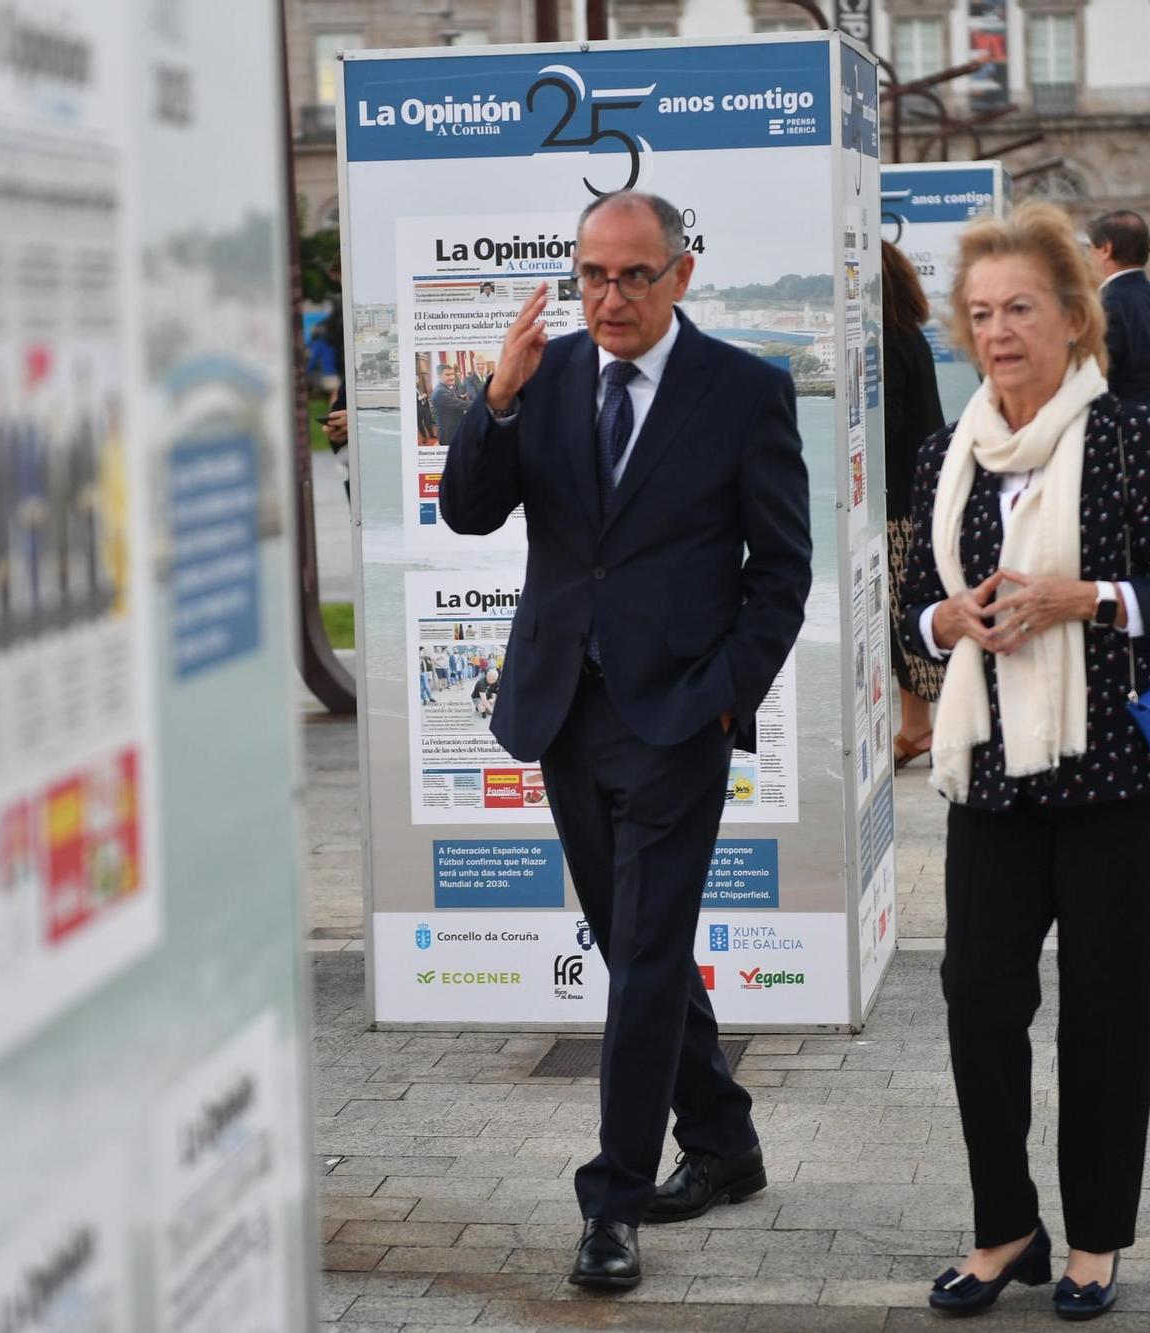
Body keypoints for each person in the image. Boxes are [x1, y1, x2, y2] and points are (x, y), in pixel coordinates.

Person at [439, 190, 811, 1294]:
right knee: (627, 939)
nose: (607, 297)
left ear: (680, 275)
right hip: (564, 707)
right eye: (589, 276)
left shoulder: (743, 391)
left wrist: (721, 696)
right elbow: (467, 512)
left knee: (646, 952)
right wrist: (495, 402)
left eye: (632, 276)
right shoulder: (542, 381)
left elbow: (780, 572)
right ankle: (726, 1139)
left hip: (676, 716)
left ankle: (611, 1201)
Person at [897, 201, 1150, 1321]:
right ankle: (1005, 1227)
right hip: (990, 774)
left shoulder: (1139, 435)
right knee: (976, 1000)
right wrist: (949, 622)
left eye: (1019, 309)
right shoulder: (944, 455)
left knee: (1103, 1012)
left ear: (1072, 318)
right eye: (980, 313)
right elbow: (909, 611)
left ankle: (1091, 1240)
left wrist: (1080, 598)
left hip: (1122, 778)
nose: (998, 332)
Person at [880, 239, 948, 766]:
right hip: (919, 495)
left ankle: (919, 727)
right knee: (910, 606)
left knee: (903, 612)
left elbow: (891, 426)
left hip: (898, 502)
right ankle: (916, 725)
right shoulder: (911, 337)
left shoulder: (887, 343)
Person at [1087, 209, 1150, 416]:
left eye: (1091, 249)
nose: (1090, 257)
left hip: (1127, 433)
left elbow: (1093, 375)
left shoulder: (1108, 304)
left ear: (1106, 249)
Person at [431, 361, 469, 448]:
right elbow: (459, 404)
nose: (452, 377)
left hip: (455, 427)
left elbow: (458, 399)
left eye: (452, 374)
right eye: (447, 375)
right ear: (439, 376)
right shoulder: (440, 391)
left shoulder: (449, 387)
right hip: (448, 433)